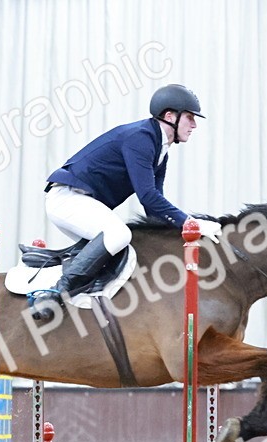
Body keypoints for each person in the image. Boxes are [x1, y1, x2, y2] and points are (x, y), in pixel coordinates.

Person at [27, 84, 204, 320]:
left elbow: (152, 207)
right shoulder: (141, 137)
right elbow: (148, 196)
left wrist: (179, 236)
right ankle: (55, 293)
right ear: (170, 116)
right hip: (66, 199)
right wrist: (192, 224)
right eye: (190, 118)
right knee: (119, 234)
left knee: (124, 246)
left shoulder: (160, 151)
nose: (194, 125)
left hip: (79, 201)